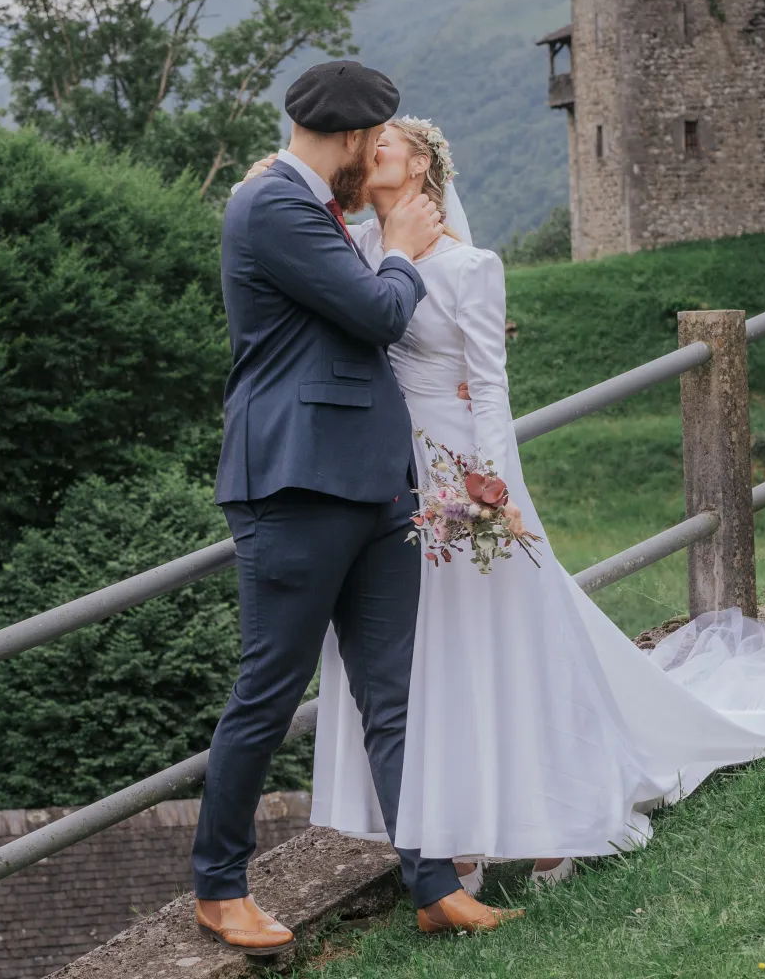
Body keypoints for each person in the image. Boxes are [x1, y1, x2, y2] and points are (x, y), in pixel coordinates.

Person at [241, 118, 765, 888]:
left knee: (494, 647)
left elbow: (489, 390)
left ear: (422, 165)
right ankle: (451, 831)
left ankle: (543, 819)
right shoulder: (359, 249)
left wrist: (495, 488)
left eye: (384, 144)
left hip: (459, 474)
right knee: (419, 656)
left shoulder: (471, 267)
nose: (367, 151)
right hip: (388, 472)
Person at [193, 63, 520, 957]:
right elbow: (378, 313)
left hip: (377, 485)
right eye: (368, 147)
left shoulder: (301, 196)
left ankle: (431, 884)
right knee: (267, 689)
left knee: (393, 693)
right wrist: (409, 254)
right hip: (296, 486)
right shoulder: (276, 209)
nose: (373, 160)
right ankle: (219, 888)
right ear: (342, 146)